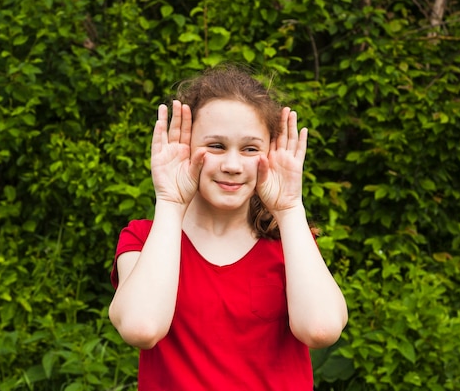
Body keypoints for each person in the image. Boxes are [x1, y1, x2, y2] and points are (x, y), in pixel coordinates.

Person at [109, 64, 348, 391]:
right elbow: (141, 328)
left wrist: (290, 209)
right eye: (216, 146)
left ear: (270, 152)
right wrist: (170, 200)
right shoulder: (144, 238)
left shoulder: (289, 240)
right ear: (185, 146)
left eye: (250, 149)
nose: (233, 166)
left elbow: (321, 330)